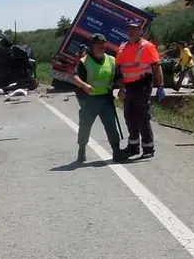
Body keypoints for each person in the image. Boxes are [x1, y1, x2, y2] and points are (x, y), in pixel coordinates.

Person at [116, 20, 165, 159]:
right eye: (129, 29)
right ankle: (133, 146)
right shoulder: (122, 47)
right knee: (129, 116)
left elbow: (156, 66)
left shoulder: (147, 46)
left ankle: (148, 148)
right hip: (128, 86)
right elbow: (119, 70)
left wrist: (160, 86)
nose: (131, 31)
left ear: (140, 30)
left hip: (142, 84)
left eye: (134, 29)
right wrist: (121, 88)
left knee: (142, 117)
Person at [70, 33, 123, 162]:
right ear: (92, 45)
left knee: (111, 126)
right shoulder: (84, 62)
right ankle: (82, 149)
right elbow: (75, 77)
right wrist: (84, 85)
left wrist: (123, 88)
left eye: (103, 43)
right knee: (85, 126)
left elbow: (118, 77)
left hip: (106, 99)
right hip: (90, 100)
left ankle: (116, 151)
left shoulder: (112, 60)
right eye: (98, 44)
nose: (101, 46)